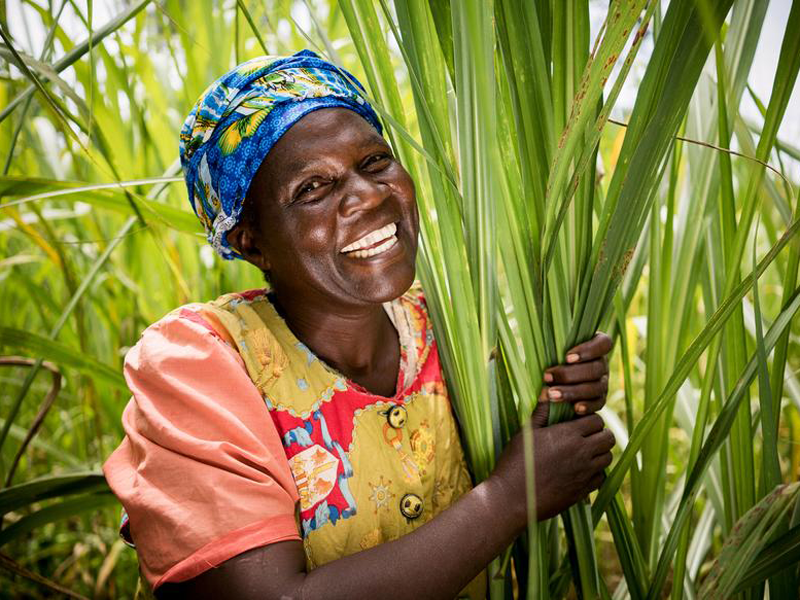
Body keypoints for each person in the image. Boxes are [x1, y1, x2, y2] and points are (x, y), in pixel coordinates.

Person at [103, 50, 615, 600]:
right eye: (312, 189)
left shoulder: (454, 323)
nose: (369, 196)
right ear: (250, 241)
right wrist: (511, 499)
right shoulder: (199, 366)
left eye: (374, 163)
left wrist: (555, 394)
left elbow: (525, 447)